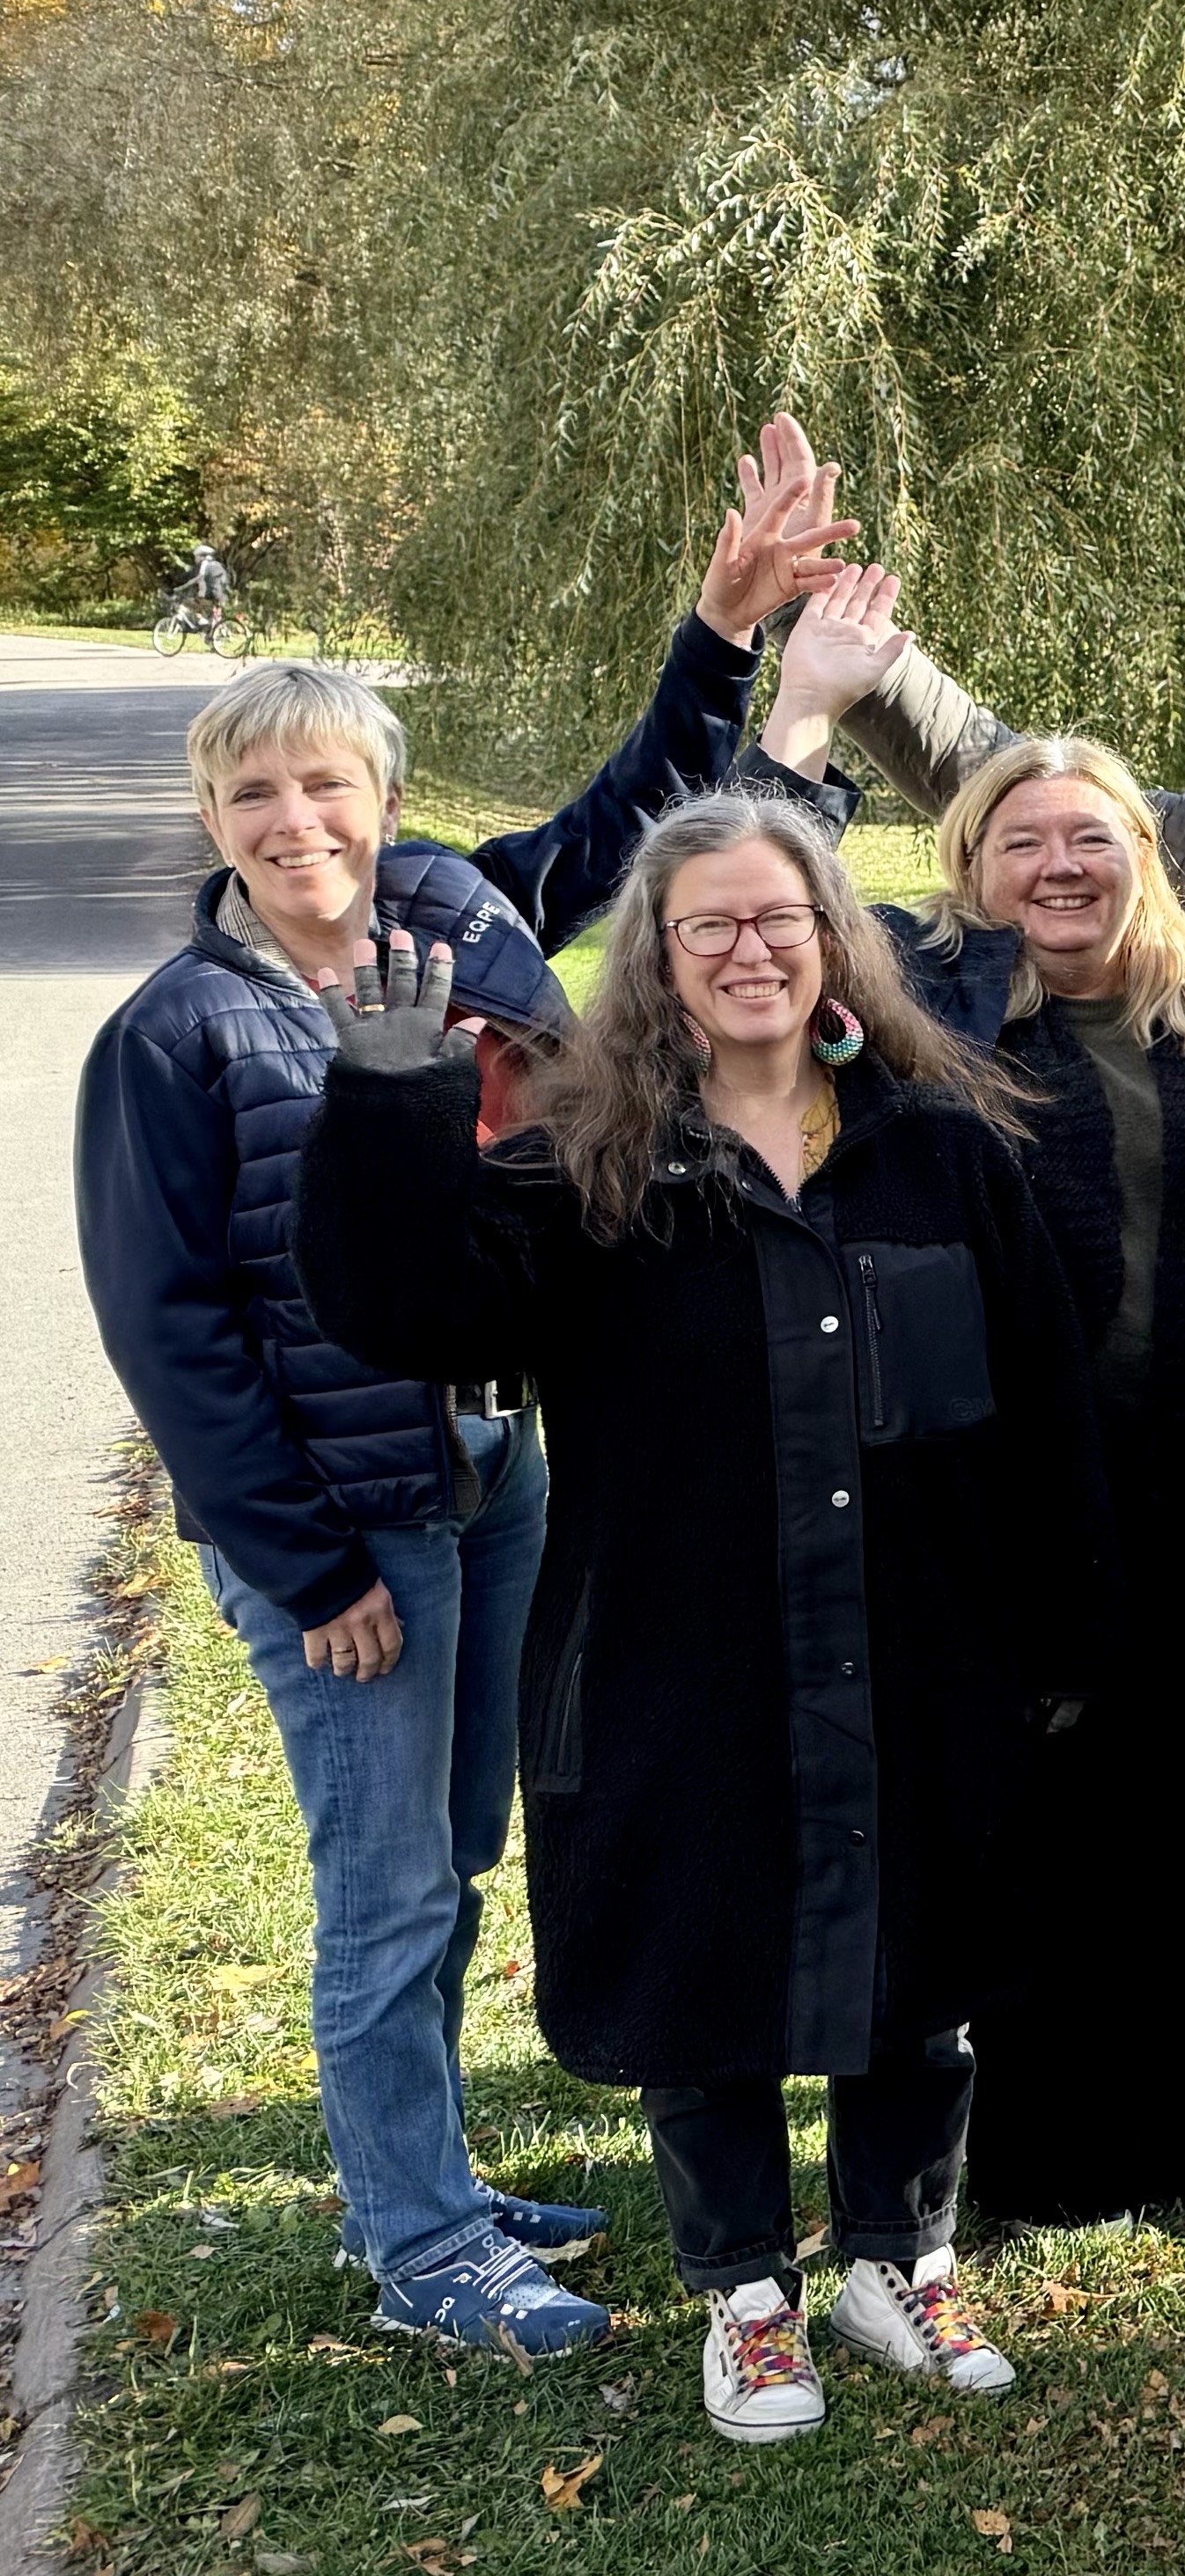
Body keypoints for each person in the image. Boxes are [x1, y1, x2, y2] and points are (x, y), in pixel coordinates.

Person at [72, 474, 837, 2353]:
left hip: (497, 1475)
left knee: (463, 1848)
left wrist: (722, 634)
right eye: (254, 792)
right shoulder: (178, 1033)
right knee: (386, 1879)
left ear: (384, 801)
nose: (296, 818)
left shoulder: (458, 920)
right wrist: (303, 1552)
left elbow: (641, 813)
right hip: (346, 1518)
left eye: (326, 782)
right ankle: (420, 2247)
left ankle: (424, 2172)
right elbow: (169, 1330)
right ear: (214, 823)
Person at [289, 796, 1101, 2445]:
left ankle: (897, 2253)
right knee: (702, 1957)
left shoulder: (940, 1147)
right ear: (659, 959)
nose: (750, 951)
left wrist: (1062, 1631)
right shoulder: (592, 1172)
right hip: (680, 1651)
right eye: (711, 926)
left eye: (779, 922)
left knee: (918, 1960)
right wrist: (387, 1105)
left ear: (831, 947)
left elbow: (1047, 1406)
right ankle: (746, 2289)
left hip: (918, 1646)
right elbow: (404, 1307)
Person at [783, 399, 1185, 2094]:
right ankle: (1002, 2133)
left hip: (1179, 1465)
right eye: (1022, 841)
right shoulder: (924, 1003)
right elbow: (762, 900)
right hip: (981, 1478)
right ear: (973, 863)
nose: (1058, 863)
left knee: (1164, 1809)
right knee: (996, 1788)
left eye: (1088, 839)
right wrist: (820, 699)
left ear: (1141, 858)